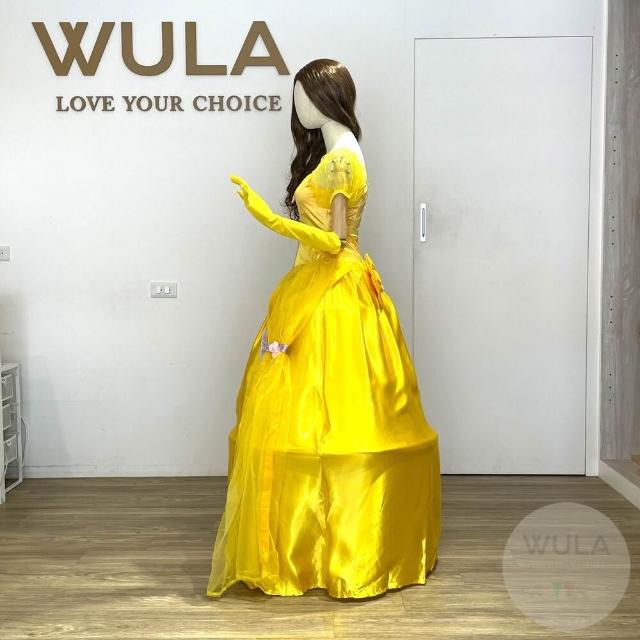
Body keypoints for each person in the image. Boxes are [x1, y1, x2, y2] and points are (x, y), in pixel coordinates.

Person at [206, 58, 441, 599]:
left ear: (328, 97)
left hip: (333, 290)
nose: (298, 108)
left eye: (304, 97)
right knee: (318, 418)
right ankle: (315, 544)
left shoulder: (341, 160)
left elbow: (334, 243)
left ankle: (331, 550)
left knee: (333, 418)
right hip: (323, 286)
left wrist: (268, 216)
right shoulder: (338, 153)